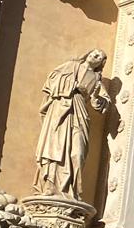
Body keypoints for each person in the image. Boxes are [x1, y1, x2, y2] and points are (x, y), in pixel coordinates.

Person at [34, 49, 109, 197]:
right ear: (87, 54)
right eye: (94, 53)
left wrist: (95, 98)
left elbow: (103, 102)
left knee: (78, 153)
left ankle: (72, 191)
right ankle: (50, 186)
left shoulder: (97, 79)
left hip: (80, 112)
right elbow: (52, 80)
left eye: (100, 56)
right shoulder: (70, 66)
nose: (96, 56)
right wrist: (73, 85)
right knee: (57, 146)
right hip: (62, 109)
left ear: (101, 63)